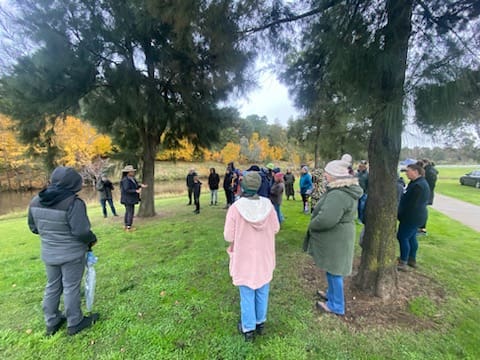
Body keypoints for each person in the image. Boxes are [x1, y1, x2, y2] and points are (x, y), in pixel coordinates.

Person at [28, 166, 99, 336]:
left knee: (52, 286)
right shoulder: (73, 203)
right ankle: (75, 322)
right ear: (74, 185)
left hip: (49, 253)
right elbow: (81, 231)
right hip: (72, 255)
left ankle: (51, 322)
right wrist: (92, 239)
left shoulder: (35, 201)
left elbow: (33, 228)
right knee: (71, 286)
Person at [303, 155, 363, 316]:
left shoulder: (339, 194)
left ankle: (337, 305)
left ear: (336, 175)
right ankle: (331, 295)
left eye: (327, 173)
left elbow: (326, 219)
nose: (325, 176)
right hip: (339, 237)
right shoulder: (342, 190)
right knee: (332, 269)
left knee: (335, 271)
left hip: (338, 239)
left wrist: (312, 224)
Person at [224, 172, 280, 342]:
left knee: (247, 292)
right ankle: (260, 322)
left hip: (244, 257)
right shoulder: (268, 205)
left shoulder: (235, 208)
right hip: (264, 255)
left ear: (243, 185)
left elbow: (228, 236)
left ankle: (248, 329)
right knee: (263, 289)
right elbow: (276, 228)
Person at [397, 163, 430, 271]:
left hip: (412, 217)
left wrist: (401, 214)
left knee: (402, 237)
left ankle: (403, 261)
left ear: (416, 172)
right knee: (411, 237)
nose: (406, 173)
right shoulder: (416, 183)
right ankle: (411, 259)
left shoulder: (418, 186)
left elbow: (412, 205)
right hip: (416, 216)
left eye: (408, 171)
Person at [120, 165, 147, 231]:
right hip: (128, 199)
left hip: (130, 199)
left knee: (128, 212)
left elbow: (135, 185)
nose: (133, 172)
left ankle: (126, 225)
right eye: (132, 171)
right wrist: (136, 191)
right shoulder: (125, 180)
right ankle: (129, 227)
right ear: (128, 172)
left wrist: (140, 185)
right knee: (130, 212)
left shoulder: (132, 178)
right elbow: (126, 189)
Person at [419, 159, 439, 234]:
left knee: (422, 210)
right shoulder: (432, 170)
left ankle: (422, 228)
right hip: (429, 193)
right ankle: (421, 227)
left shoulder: (428, 171)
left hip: (427, 193)